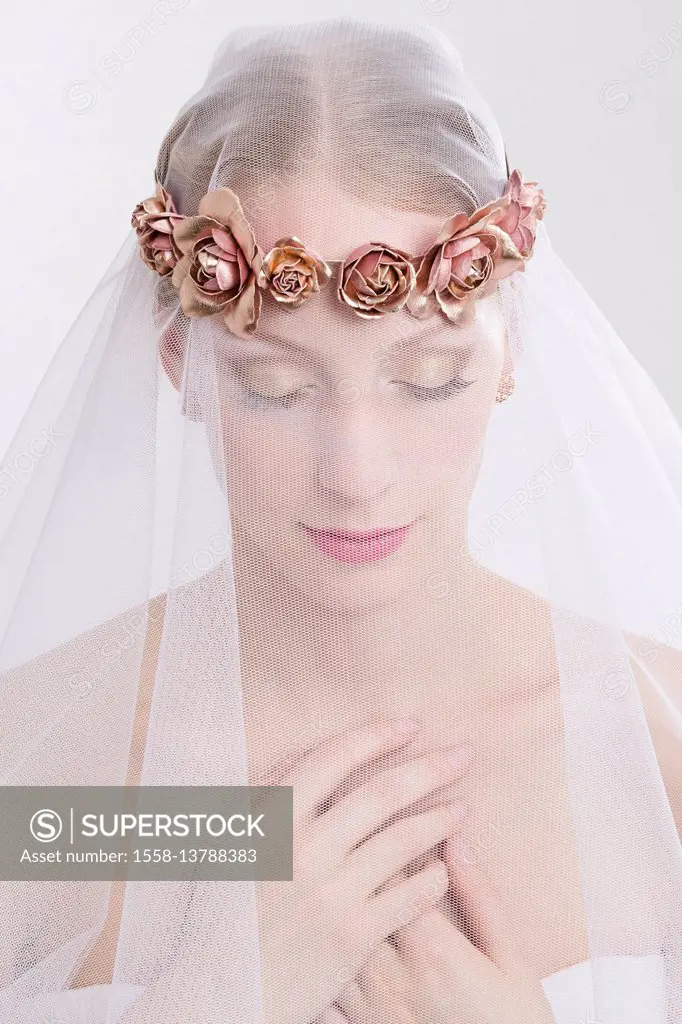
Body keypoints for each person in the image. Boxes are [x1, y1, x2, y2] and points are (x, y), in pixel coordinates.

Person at [0, 17, 680, 1024]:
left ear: (509, 352)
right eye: (275, 388)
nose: (358, 475)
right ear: (181, 363)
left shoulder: (663, 744)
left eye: (429, 377)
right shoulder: (46, 783)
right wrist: (211, 997)